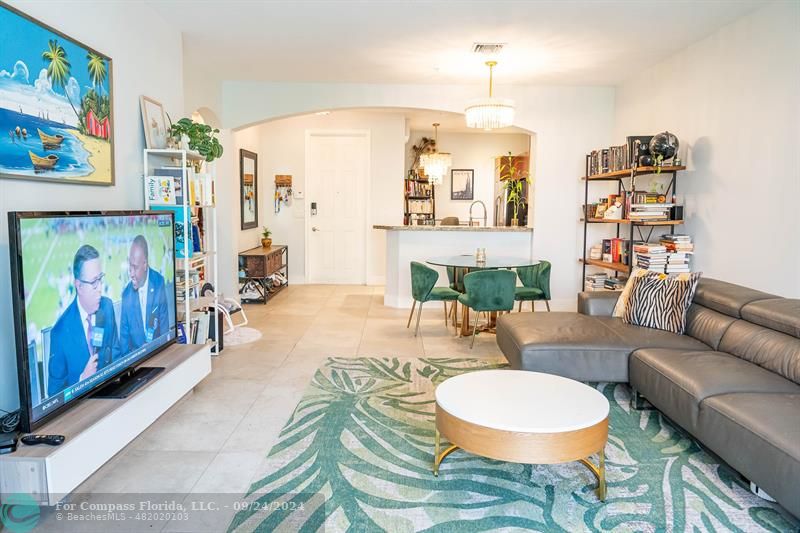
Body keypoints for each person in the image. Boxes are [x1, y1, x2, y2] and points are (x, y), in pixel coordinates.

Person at [48, 245, 119, 396]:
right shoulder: (59, 333)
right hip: (79, 410)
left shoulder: (106, 307)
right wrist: (82, 380)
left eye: (100, 279)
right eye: (94, 282)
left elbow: (117, 353)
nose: (100, 287)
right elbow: (54, 395)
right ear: (79, 285)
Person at [119, 235, 169, 354]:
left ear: (145, 264)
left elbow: (165, 331)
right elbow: (124, 344)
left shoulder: (158, 283)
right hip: (136, 365)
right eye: (129, 266)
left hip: (159, 355)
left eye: (135, 267)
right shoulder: (126, 295)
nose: (131, 273)